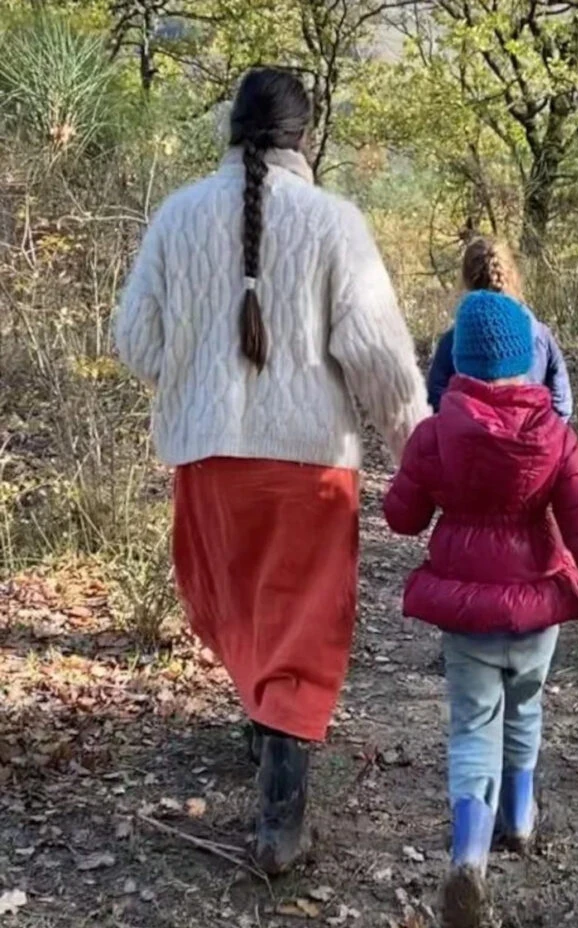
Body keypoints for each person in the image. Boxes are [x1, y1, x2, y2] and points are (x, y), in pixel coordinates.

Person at [114, 68, 429, 875]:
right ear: (305, 137)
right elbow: (379, 360)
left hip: (208, 459)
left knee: (239, 606)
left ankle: (268, 732)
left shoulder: (176, 216)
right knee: (300, 620)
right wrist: (419, 457)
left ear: (231, 128)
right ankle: (280, 816)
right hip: (310, 465)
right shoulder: (334, 222)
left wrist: (197, 378)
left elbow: (138, 344)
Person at [385, 291, 578, 928]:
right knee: (524, 707)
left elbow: (402, 518)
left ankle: (468, 854)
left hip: (466, 610)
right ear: (527, 361)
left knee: (472, 726)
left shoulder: (434, 435)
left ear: (459, 361)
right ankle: (518, 818)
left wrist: (418, 474)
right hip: (535, 605)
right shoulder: (554, 435)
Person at [426, 237, 573, 421]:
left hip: (467, 446)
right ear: (512, 273)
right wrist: (544, 440)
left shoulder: (452, 340)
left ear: (465, 279)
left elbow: (435, 400)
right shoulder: (540, 335)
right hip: (531, 445)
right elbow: (562, 404)